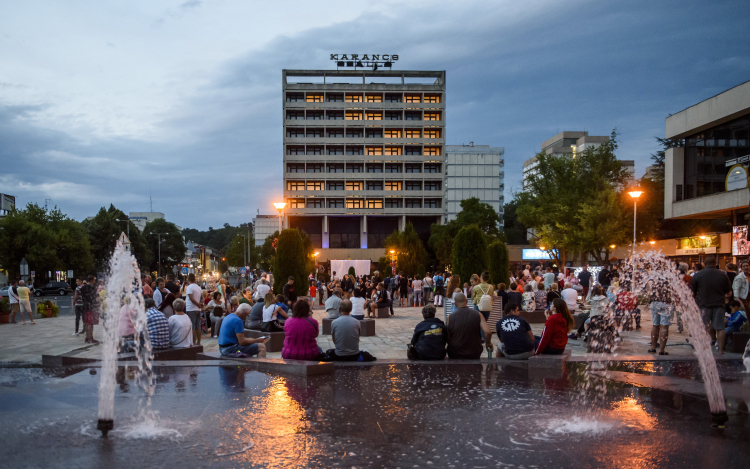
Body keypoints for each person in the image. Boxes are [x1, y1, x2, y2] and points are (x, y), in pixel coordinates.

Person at [690, 255, 732, 355]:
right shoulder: (722, 275)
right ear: (715, 263)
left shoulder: (698, 275)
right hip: (719, 305)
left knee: (702, 327)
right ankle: (721, 350)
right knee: (720, 328)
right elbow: (728, 291)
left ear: (704, 263)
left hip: (703, 305)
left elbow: (692, 291)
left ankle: (702, 349)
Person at [445, 293, 492, 359]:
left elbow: (447, 337)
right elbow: (488, 332)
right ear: (466, 301)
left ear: (455, 304)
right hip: (474, 351)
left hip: (455, 352)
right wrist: (488, 343)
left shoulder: (449, 317)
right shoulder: (478, 314)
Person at [648, 279, 673, 355]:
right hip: (667, 303)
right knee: (664, 327)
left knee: (655, 325)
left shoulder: (654, 279)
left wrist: (649, 302)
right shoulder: (670, 279)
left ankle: (653, 348)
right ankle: (662, 350)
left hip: (655, 303)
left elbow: (650, 291)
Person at [184, 274, 203, 346]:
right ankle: (198, 342)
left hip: (191, 308)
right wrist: (200, 304)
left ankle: (193, 342)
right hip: (198, 309)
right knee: (198, 325)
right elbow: (202, 297)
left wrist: (198, 304)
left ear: (188, 279)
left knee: (192, 326)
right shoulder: (198, 287)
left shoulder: (189, 287)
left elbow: (191, 298)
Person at [80, 275, 98, 342]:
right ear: (91, 280)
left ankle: (87, 337)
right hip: (90, 307)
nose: (95, 280)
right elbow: (92, 298)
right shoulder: (90, 288)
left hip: (85, 306)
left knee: (87, 323)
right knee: (90, 323)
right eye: (94, 279)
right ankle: (90, 337)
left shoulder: (83, 288)